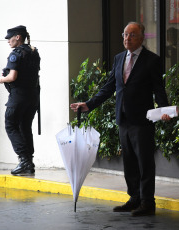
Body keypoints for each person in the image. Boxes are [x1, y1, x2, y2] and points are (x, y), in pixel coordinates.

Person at [70, 22, 171, 216]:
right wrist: (89, 104)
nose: (127, 38)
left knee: (145, 162)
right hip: (123, 119)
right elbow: (108, 88)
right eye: (125, 34)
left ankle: (148, 202)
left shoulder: (151, 61)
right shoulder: (119, 59)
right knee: (129, 162)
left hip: (143, 120)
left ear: (141, 38)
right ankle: (134, 199)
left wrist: (164, 110)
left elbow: (159, 89)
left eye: (132, 35)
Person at [0, 25, 40, 175]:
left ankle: (24, 160)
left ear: (18, 37)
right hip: (33, 96)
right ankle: (29, 162)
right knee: (25, 126)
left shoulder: (16, 54)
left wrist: (2, 79)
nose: (8, 40)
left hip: (18, 97)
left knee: (11, 125)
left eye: (10, 37)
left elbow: (12, 77)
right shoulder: (34, 52)